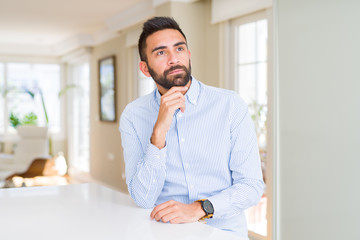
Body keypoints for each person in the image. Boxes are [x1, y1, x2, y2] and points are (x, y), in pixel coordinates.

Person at [119, 16, 264, 238]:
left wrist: (199, 209)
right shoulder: (133, 115)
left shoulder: (230, 105)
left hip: (222, 232)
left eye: (179, 49)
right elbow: (143, 198)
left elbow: (252, 186)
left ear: (188, 54)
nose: (173, 59)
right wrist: (159, 133)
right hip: (163, 232)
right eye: (160, 52)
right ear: (145, 68)